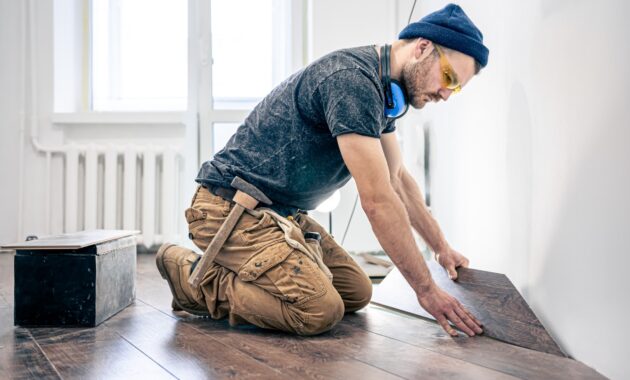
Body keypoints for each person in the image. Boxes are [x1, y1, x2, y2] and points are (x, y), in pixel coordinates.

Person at [156, 3, 489, 337]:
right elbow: (378, 201)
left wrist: (442, 248)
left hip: (282, 215)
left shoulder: (385, 92)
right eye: (448, 78)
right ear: (422, 48)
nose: (447, 94)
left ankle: (238, 275)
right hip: (229, 208)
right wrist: (427, 291)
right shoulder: (352, 82)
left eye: (456, 87)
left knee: (357, 293)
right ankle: (195, 281)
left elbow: (398, 179)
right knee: (319, 310)